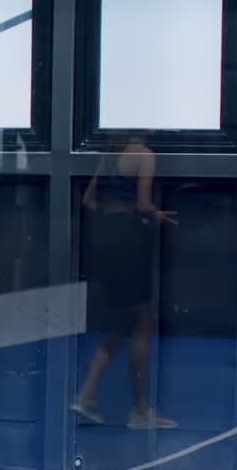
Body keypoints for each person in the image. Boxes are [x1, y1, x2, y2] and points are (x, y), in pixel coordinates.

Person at [72, 130, 178, 430]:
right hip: (130, 238)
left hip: (104, 237)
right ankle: (140, 409)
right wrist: (157, 214)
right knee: (142, 322)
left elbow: (89, 200)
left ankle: (86, 395)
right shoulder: (144, 155)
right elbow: (145, 202)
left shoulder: (108, 156)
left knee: (121, 321)